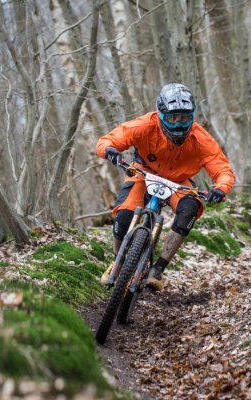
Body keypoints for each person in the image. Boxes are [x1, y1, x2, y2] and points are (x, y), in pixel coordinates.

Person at [96, 83, 235, 291]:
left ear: (192, 116)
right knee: (124, 215)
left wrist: (221, 188)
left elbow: (222, 170)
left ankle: (158, 269)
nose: (178, 125)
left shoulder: (201, 139)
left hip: (179, 182)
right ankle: (117, 261)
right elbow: (108, 140)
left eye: (184, 118)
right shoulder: (143, 125)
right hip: (143, 174)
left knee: (189, 210)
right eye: (172, 118)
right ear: (160, 115)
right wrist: (110, 150)